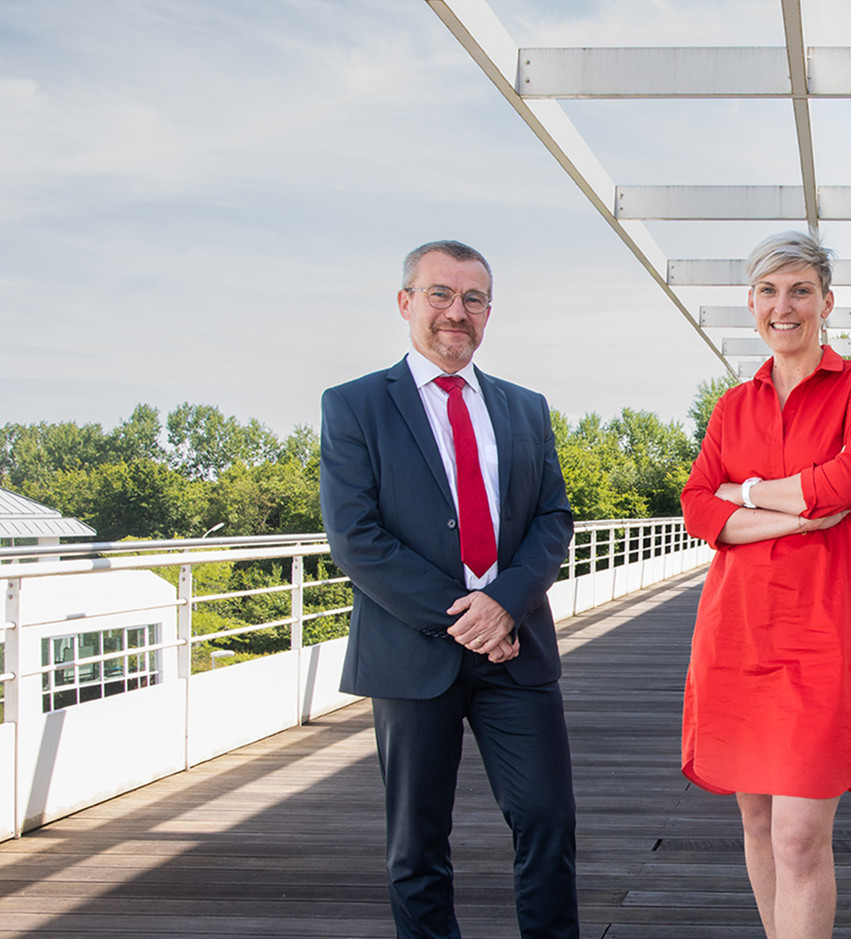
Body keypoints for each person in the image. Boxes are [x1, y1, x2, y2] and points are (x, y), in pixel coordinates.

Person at [319, 240, 578, 939]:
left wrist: (505, 604)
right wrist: (468, 615)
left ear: (488, 312)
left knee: (548, 822)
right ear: (406, 302)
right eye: (440, 293)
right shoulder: (354, 407)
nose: (455, 312)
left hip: (515, 650)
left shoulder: (526, 409)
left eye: (472, 298)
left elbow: (554, 518)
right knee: (417, 846)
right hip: (411, 652)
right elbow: (356, 536)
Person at [680, 231, 851, 939]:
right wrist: (795, 513)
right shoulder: (731, 408)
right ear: (751, 305)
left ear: (826, 301)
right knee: (759, 819)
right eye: (769, 291)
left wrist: (743, 498)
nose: (785, 306)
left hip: (826, 634)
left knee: (800, 834)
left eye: (800, 289)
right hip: (738, 635)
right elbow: (696, 505)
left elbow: (849, 482)